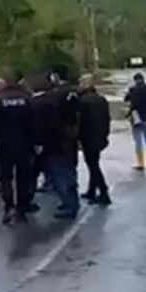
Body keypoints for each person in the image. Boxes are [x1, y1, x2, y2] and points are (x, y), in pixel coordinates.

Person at [0, 71, 36, 225]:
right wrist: (35, 142)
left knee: (6, 178)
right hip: (25, 144)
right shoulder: (27, 99)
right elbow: (34, 123)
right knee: (23, 178)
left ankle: (8, 207)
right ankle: (21, 209)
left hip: (5, 145)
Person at [29, 73, 81, 219]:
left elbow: (42, 126)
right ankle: (70, 203)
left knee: (59, 176)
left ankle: (70, 205)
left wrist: (39, 143)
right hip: (63, 143)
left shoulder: (40, 103)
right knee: (65, 174)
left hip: (52, 146)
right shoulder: (56, 100)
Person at [77, 73, 111, 205]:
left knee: (93, 165)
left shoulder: (83, 101)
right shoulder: (101, 99)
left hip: (88, 137)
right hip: (99, 136)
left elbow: (81, 122)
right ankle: (92, 190)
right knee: (94, 163)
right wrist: (105, 135)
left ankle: (103, 191)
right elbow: (106, 119)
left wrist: (78, 138)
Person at [124, 72, 146, 170]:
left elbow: (126, 99)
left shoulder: (132, 90)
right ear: (143, 79)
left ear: (135, 80)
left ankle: (140, 164)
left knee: (138, 141)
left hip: (136, 117)